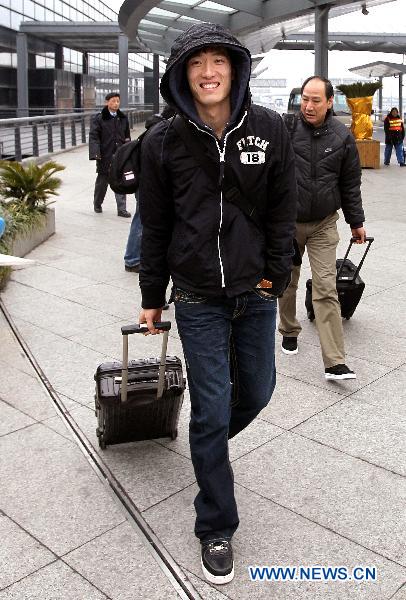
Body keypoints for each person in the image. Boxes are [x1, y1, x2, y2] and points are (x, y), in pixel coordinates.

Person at [137, 22, 297, 584]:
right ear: (182, 74)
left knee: (257, 390)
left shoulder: (270, 129)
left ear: (235, 68)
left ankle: (208, 446)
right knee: (210, 407)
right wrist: (152, 297)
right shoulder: (162, 141)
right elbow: (153, 225)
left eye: (219, 61)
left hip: (254, 293)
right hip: (198, 295)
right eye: (197, 63)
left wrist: (276, 275)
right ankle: (216, 526)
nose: (208, 72)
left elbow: (283, 209)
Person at [278, 75, 366, 380]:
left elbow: (350, 183)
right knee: (287, 282)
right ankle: (289, 329)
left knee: (326, 288)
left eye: (316, 100)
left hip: (324, 224)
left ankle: (334, 361)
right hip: (288, 223)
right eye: (305, 98)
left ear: (329, 102)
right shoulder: (286, 129)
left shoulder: (342, 137)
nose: (308, 105)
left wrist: (357, 221)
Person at [124, 106, 176, 273]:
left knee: (141, 219)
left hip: (144, 181)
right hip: (147, 183)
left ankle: (133, 258)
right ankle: (132, 259)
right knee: (142, 220)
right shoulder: (160, 133)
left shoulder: (152, 129)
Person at [89, 92, 131, 217]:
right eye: (113, 101)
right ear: (107, 102)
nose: (116, 103)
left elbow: (127, 137)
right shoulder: (99, 118)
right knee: (102, 182)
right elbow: (94, 137)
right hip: (105, 156)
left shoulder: (123, 118)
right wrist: (96, 153)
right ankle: (97, 203)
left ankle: (121, 209)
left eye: (118, 101)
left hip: (120, 155)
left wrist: (128, 151)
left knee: (120, 181)